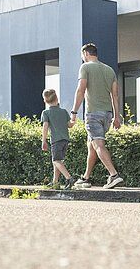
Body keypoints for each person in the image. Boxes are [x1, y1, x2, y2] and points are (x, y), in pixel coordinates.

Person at [68, 42, 124, 189]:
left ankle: (114, 175)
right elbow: (115, 95)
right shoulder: (109, 70)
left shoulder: (85, 67)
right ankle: (86, 178)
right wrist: (116, 117)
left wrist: (74, 113)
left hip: (93, 114)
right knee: (92, 145)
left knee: (98, 144)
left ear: (86, 54)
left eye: (83, 56)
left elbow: (81, 90)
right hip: (107, 115)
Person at [40, 88, 75, 189]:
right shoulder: (63, 111)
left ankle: (69, 178)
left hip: (56, 141)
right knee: (58, 161)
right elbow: (70, 125)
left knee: (56, 161)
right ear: (57, 98)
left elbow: (45, 127)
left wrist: (44, 141)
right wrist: (74, 118)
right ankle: (55, 182)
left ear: (45, 101)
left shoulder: (46, 113)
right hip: (65, 140)